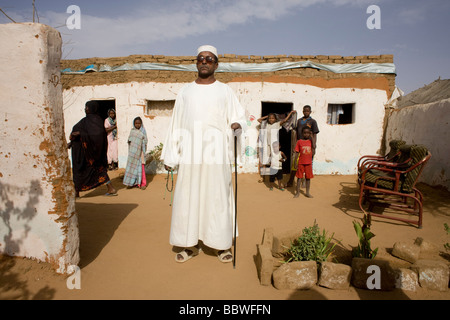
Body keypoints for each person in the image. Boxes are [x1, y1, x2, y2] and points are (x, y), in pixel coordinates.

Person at [161, 45, 246, 263]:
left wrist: (237, 125)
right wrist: (171, 155)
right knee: (188, 198)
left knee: (217, 197)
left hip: (216, 153)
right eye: (200, 58)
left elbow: (238, 117)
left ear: (216, 64)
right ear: (196, 63)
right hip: (190, 154)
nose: (204, 61)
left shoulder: (226, 91)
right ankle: (189, 245)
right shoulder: (185, 91)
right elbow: (175, 123)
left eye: (209, 59)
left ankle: (221, 245)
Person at [69, 101, 117, 198]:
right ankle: (76, 192)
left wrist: (80, 133)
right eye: (85, 107)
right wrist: (73, 141)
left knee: (99, 170)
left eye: (87, 107)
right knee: (78, 171)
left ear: (92, 108)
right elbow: (81, 132)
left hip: (93, 153)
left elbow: (97, 135)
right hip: (82, 152)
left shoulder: (97, 121)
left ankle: (111, 188)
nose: (85, 109)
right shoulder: (84, 121)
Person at [287, 105, 319, 187]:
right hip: (300, 144)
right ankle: (290, 181)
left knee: (307, 164)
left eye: (308, 111)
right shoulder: (299, 121)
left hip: (308, 146)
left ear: (310, 112)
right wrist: (295, 144)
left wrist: (314, 147)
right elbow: (296, 133)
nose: (306, 112)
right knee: (295, 164)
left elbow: (314, 135)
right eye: (304, 111)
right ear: (302, 111)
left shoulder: (313, 121)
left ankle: (304, 181)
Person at [123, 117, 148, 190]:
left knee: (141, 168)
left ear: (141, 124)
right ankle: (133, 183)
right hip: (133, 154)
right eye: (136, 123)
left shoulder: (143, 131)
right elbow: (129, 141)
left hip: (141, 153)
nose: (137, 125)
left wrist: (141, 147)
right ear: (134, 124)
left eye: (139, 123)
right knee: (133, 169)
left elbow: (145, 141)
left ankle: (143, 184)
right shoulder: (132, 131)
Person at [293, 126, 315, 198]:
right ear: (302, 133)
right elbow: (296, 152)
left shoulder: (311, 141)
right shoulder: (299, 142)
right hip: (301, 163)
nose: (306, 134)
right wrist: (295, 162)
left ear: (310, 133)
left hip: (308, 163)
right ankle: (297, 192)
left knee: (308, 178)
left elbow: (314, 147)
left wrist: (312, 137)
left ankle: (307, 192)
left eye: (308, 133)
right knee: (299, 178)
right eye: (304, 133)